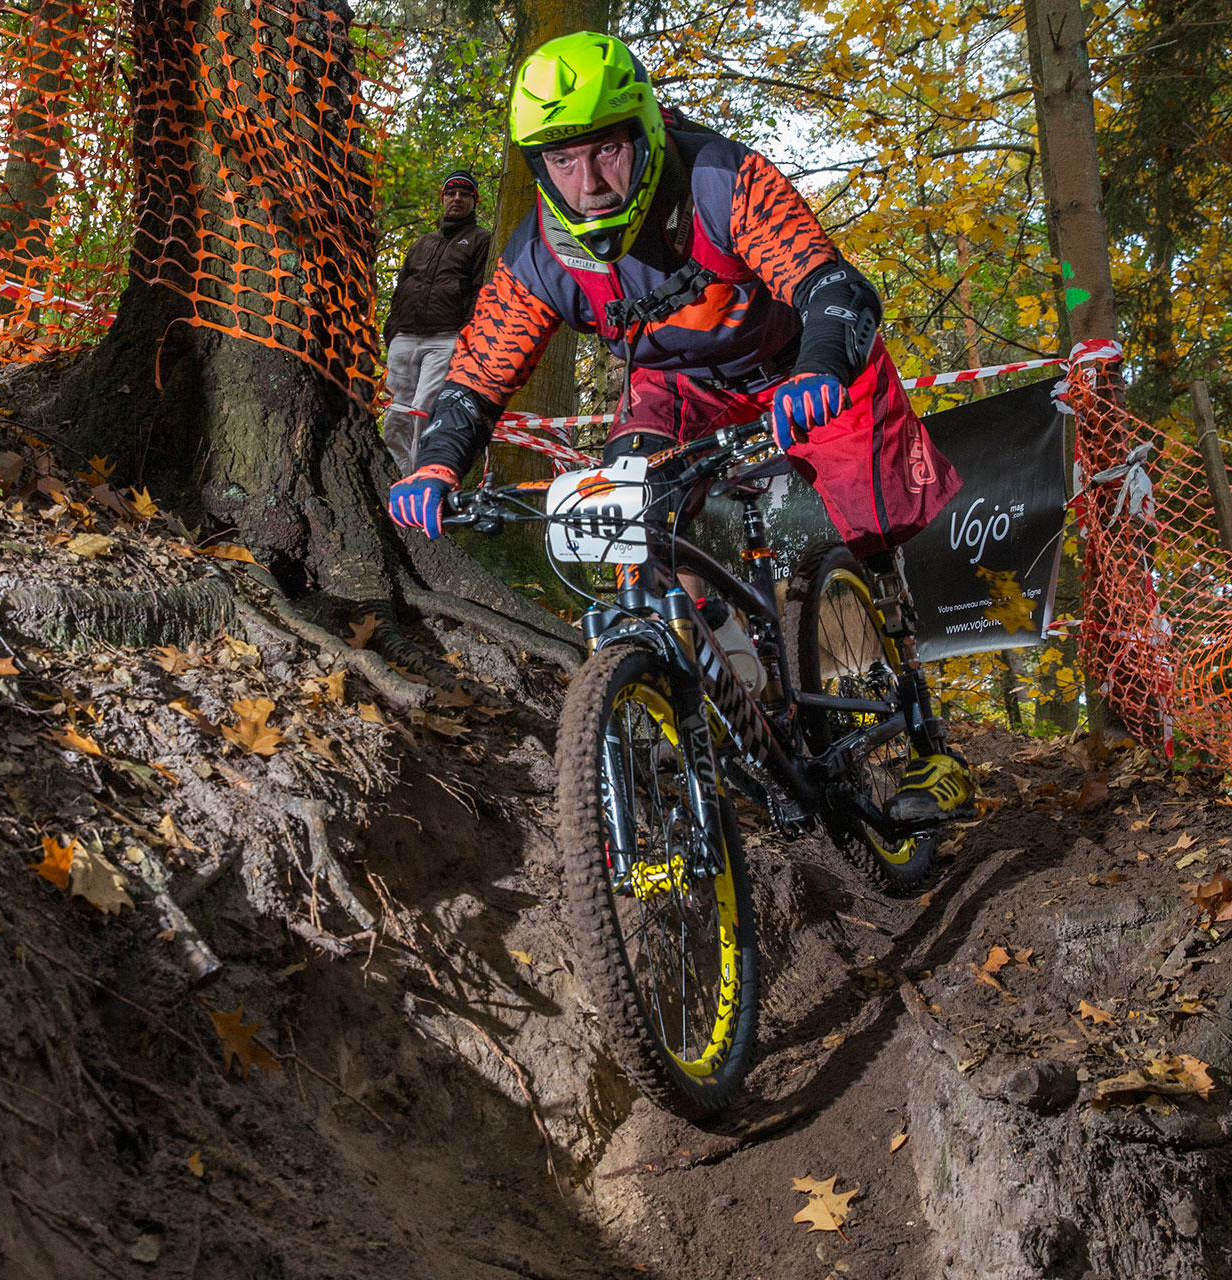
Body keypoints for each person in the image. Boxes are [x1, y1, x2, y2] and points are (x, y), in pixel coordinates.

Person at [386, 32, 974, 824]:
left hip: (804, 360)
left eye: (605, 153)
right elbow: (477, 371)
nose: (588, 184)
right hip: (679, 386)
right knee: (636, 511)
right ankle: (700, 688)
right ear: (537, 167)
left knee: (872, 522)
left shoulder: (717, 179)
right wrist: (435, 465)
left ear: (645, 132)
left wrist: (823, 369)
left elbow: (834, 284)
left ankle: (927, 740)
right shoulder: (540, 255)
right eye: (562, 162)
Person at [379, 170, 492, 474]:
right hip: (404, 337)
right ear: (442, 198)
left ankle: (422, 483)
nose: (457, 198)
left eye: (464, 194)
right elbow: (402, 285)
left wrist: (466, 335)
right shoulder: (422, 242)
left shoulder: (481, 239)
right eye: (451, 193)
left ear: (474, 201)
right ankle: (397, 481)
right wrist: (391, 329)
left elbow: (480, 289)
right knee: (395, 418)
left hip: (446, 338)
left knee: (424, 411)